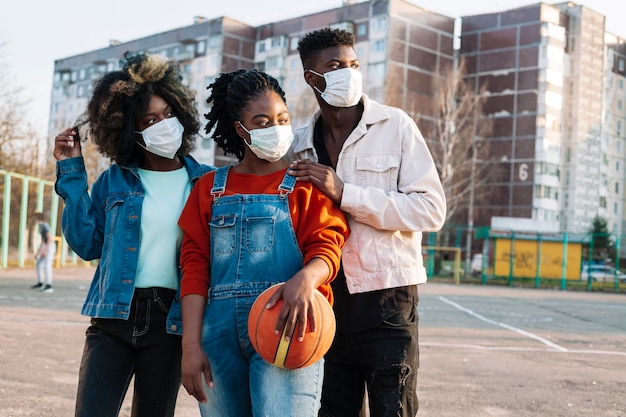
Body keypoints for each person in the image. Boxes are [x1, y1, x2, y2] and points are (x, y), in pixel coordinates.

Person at [287, 28, 447, 417]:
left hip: (388, 302)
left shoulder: (396, 126)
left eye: (354, 64)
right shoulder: (298, 145)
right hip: (324, 306)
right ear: (312, 78)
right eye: (336, 66)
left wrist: (345, 192)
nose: (349, 72)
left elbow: (430, 210)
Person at [178, 68, 350, 417]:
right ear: (240, 130)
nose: (276, 128)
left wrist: (307, 279)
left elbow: (327, 247)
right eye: (262, 121)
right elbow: (194, 268)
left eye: (282, 119)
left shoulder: (305, 184)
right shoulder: (208, 189)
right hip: (218, 342)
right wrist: (190, 346)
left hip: (289, 329)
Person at [53, 51, 214, 417]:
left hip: (171, 320)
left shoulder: (205, 182)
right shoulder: (115, 179)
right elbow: (87, 243)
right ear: (130, 130)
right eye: (150, 119)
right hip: (113, 317)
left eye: (169, 114)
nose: (164, 124)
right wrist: (72, 172)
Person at [31, 211, 56, 293]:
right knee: (38, 264)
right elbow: (43, 240)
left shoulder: (45, 225)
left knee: (47, 265)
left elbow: (49, 238)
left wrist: (45, 250)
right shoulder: (40, 226)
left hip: (50, 246)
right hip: (46, 245)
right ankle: (40, 283)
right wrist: (38, 253)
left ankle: (49, 285)